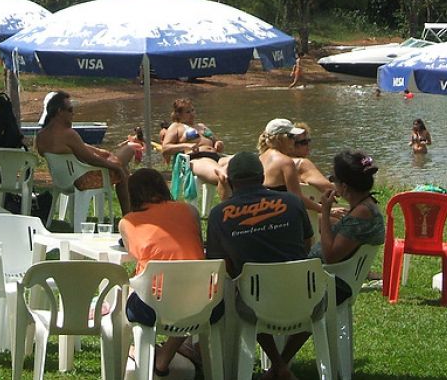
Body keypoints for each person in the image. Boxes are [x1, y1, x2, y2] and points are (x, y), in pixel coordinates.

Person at [206, 151, 312, 380]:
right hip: (304, 296)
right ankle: (281, 366)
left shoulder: (218, 214)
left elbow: (222, 264)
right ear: (262, 177)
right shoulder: (293, 202)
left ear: (230, 180)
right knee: (316, 309)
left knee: (243, 298)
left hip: (254, 300)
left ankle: (278, 365)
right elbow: (306, 244)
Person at [119, 168, 212, 376]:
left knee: (131, 290)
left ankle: (146, 351)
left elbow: (133, 253)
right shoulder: (189, 211)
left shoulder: (128, 222)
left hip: (155, 304)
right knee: (185, 297)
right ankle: (171, 352)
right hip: (204, 300)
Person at [34, 91, 135, 214]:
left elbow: (81, 151)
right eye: (70, 110)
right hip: (80, 180)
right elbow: (90, 159)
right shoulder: (68, 134)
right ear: (60, 112)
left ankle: (130, 214)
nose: (73, 113)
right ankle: (128, 215)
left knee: (120, 163)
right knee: (123, 168)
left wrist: (105, 155)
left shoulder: (41, 136)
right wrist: (115, 167)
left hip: (61, 180)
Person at [310, 150, 386, 304]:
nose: (331, 183)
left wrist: (325, 211)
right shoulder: (366, 206)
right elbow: (347, 236)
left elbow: (331, 256)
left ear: (344, 187)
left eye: (333, 179)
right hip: (327, 278)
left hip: (329, 285)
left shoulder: (362, 213)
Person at [258, 118, 343, 220]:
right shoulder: (285, 162)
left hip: (266, 215)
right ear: (282, 138)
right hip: (284, 218)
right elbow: (296, 198)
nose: (293, 141)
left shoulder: (260, 159)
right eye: (291, 137)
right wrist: (327, 210)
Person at [160, 98, 231, 196]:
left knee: (240, 161)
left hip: (216, 156)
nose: (192, 114)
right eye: (188, 112)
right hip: (197, 158)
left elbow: (216, 141)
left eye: (193, 110)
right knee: (222, 176)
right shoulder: (176, 127)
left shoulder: (201, 126)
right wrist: (186, 145)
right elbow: (165, 149)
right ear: (178, 114)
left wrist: (219, 144)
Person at [289, 122, 335, 195]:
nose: (308, 145)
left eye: (308, 141)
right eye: (303, 142)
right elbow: (327, 188)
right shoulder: (301, 164)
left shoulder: (272, 162)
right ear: (290, 144)